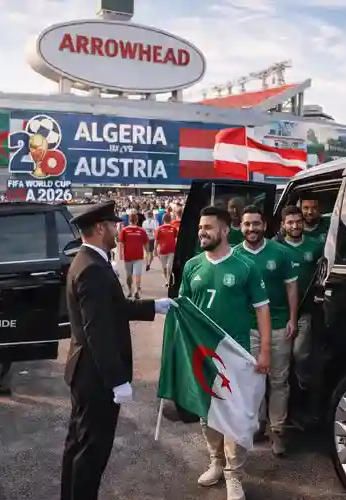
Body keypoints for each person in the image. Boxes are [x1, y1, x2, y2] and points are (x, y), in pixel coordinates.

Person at [61, 201, 172, 500]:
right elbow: (97, 330)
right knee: (91, 451)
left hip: (85, 368)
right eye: (113, 225)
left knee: (79, 443)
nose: (117, 229)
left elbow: (115, 307)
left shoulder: (89, 260)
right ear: (100, 228)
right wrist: (116, 380)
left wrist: (154, 306)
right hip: (95, 374)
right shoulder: (93, 268)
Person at [178, 205, 272, 500]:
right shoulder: (192, 265)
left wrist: (265, 351)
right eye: (200, 228)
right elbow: (183, 312)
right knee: (207, 413)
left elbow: (262, 311)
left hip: (236, 354)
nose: (201, 232)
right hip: (201, 355)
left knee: (235, 415)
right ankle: (216, 463)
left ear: (223, 230)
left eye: (207, 227)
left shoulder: (245, 266)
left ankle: (234, 475)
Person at [234, 206, 298, 457]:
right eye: (247, 224)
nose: (251, 228)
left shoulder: (280, 252)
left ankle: (278, 431)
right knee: (252, 380)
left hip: (280, 325)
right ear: (241, 226)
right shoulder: (234, 255)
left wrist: (293, 318)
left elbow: (292, 289)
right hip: (248, 328)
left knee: (279, 381)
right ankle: (256, 425)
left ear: (265, 225)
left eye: (256, 224)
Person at [280, 205, 324, 425]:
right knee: (282, 362)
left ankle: (305, 401)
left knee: (300, 357)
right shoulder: (275, 248)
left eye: (298, 221)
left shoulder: (316, 246)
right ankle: (284, 411)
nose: (295, 225)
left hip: (304, 312)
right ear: (283, 225)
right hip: (280, 314)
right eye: (290, 222)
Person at [118, 213, 148, 298]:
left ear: (129, 220)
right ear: (137, 220)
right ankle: (136, 291)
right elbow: (146, 243)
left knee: (129, 275)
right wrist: (147, 254)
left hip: (128, 255)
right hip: (138, 255)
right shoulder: (141, 230)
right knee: (137, 274)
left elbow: (120, 243)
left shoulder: (124, 230)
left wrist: (120, 254)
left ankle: (130, 291)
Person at [154, 213, 178, 285]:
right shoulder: (160, 229)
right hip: (164, 251)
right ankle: (167, 280)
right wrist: (155, 250)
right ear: (170, 219)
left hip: (170, 250)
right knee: (165, 267)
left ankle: (169, 281)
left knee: (168, 266)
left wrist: (155, 250)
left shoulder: (173, 228)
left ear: (163, 219)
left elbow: (156, 241)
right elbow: (157, 240)